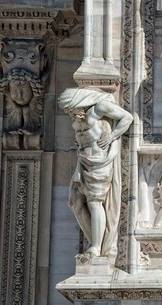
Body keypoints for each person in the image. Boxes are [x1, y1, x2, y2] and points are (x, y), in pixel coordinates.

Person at [58, 88, 133, 258]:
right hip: (83, 162)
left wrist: (112, 136)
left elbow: (127, 117)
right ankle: (96, 240)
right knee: (75, 203)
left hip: (100, 162)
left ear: (79, 103)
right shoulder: (77, 118)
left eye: (71, 108)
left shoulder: (99, 108)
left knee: (94, 202)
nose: (70, 113)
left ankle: (96, 248)